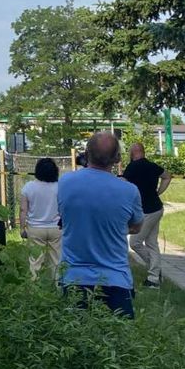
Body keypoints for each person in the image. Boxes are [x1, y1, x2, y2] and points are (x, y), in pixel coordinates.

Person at [57, 132, 143, 318]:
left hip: (73, 278)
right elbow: (137, 227)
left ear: (86, 154)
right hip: (116, 280)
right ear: (117, 158)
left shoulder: (65, 183)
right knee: (118, 335)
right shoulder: (129, 191)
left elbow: (65, 216)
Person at [123, 143, 172, 288]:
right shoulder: (152, 166)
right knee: (151, 243)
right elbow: (167, 176)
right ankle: (154, 278)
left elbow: (124, 186)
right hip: (157, 208)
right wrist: (158, 192)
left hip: (146, 211)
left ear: (133, 152)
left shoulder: (132, 167)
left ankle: (154, 271)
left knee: (135, 242)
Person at [20, 157, 61, 279]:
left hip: (35, 229)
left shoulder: (28, 187)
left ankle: (34, 284)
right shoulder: (60, 187)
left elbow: (23, 210)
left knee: (35, 261)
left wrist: (22, 228)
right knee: (57, 260)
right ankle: (58, 284)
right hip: (56, 228)